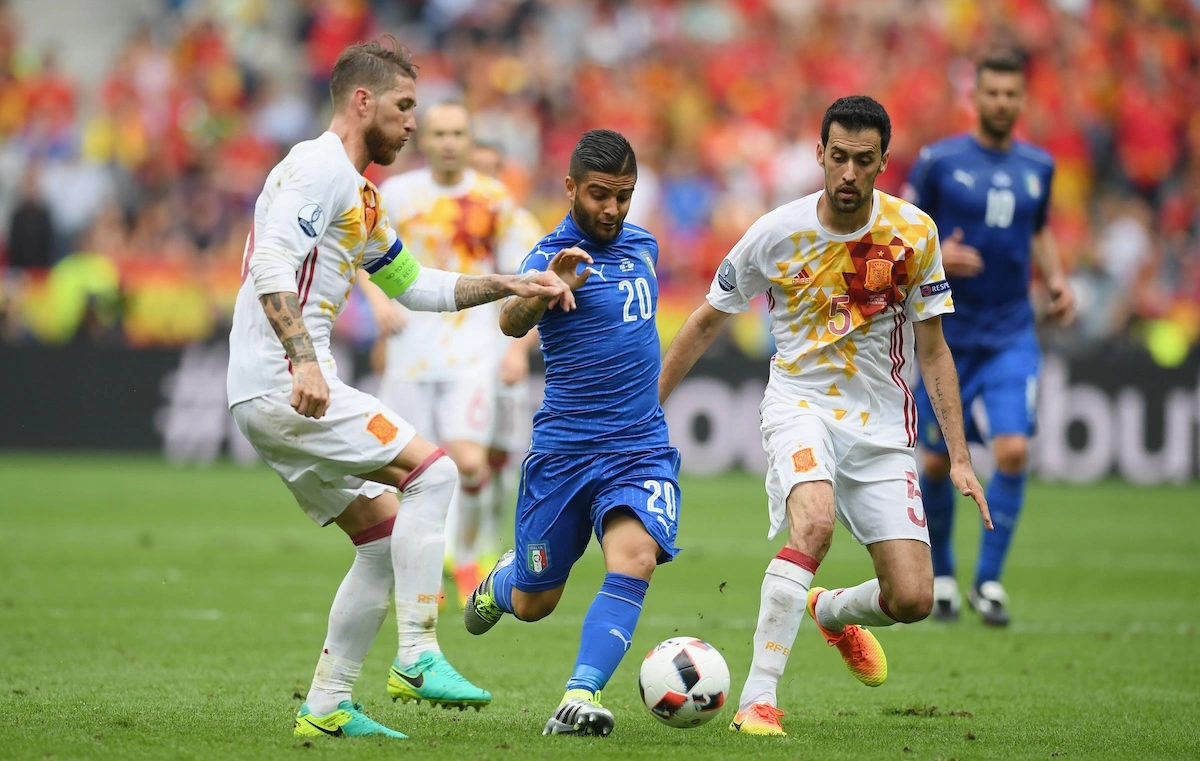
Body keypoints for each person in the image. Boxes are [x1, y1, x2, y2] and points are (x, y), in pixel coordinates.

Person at [225, 39, 582, 740]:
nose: (414, 122)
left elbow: (414, 285)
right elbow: (269, 261)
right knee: (437, 470)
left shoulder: (360, 193)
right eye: (404, 105)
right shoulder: (317, 165)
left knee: (381, 536)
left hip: (268, 392)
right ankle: (418, 652)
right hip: (285, 382)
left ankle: (327, 702)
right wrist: (302, 359)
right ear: (363, 101)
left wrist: (508, 283)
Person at [658, 96, 991, 737]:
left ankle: (831, 610)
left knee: (913, 599)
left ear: (882, 163)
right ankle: (759, 699)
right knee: (811, 524)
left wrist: (961, 457)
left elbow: (934, 349)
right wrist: (649, 407)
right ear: (819, 153)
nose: (847, 173)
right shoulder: (775, 233)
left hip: (883, 429)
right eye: (837, 157)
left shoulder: (914, 234)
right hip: (799, 405)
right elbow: (704, 322)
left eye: (863, 161)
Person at [462, 129, 681, 738]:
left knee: (635, 558)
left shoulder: (644, 245)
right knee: (536, 602)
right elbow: (511, 322)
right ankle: (502, 582)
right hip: (565, 451)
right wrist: (545, 292)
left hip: (638, 447)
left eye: (623, 195)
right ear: (570, 189)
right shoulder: (550, 254)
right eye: (598, 195)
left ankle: (578, 695)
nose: (611, 209)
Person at [904, 51, 1075, 627]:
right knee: (934, 462)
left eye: (1011, 94)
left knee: (1013, 451)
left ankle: (989, 580)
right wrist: (938, 255)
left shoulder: (1039, 166)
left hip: (1009, 331)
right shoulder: (939, 161)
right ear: (975, 98)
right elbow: (904, 228)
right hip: (944, 333)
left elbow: (1040, 228)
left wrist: (1056, 281)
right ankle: (946, 573)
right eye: (993, 92)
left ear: (1021, 100)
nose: (1002, 102)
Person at [364, 103, 530, 606]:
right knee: (405, 470)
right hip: (409, 353)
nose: (450, 142)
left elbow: (520, 280)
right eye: (440, 133)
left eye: (459, 132)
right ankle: (421, 569)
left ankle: (464, 556)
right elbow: (357, 253)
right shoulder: (396, 194)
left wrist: (517, 347)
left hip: (471, 350)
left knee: (470, 462)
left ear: (469, 136)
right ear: (425, 139)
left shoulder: (495, 200)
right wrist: (377, 307)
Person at [468, 141, 547, 573]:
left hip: (502, 353)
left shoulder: (521, 227)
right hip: (455, 356)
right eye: (476, 171)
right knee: (461, 455)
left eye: (491, 170)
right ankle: (455, 546)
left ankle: (486, 541)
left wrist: (519, 350)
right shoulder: (447, 220)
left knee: (499, 456)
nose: (484, 181)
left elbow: (540, 297)